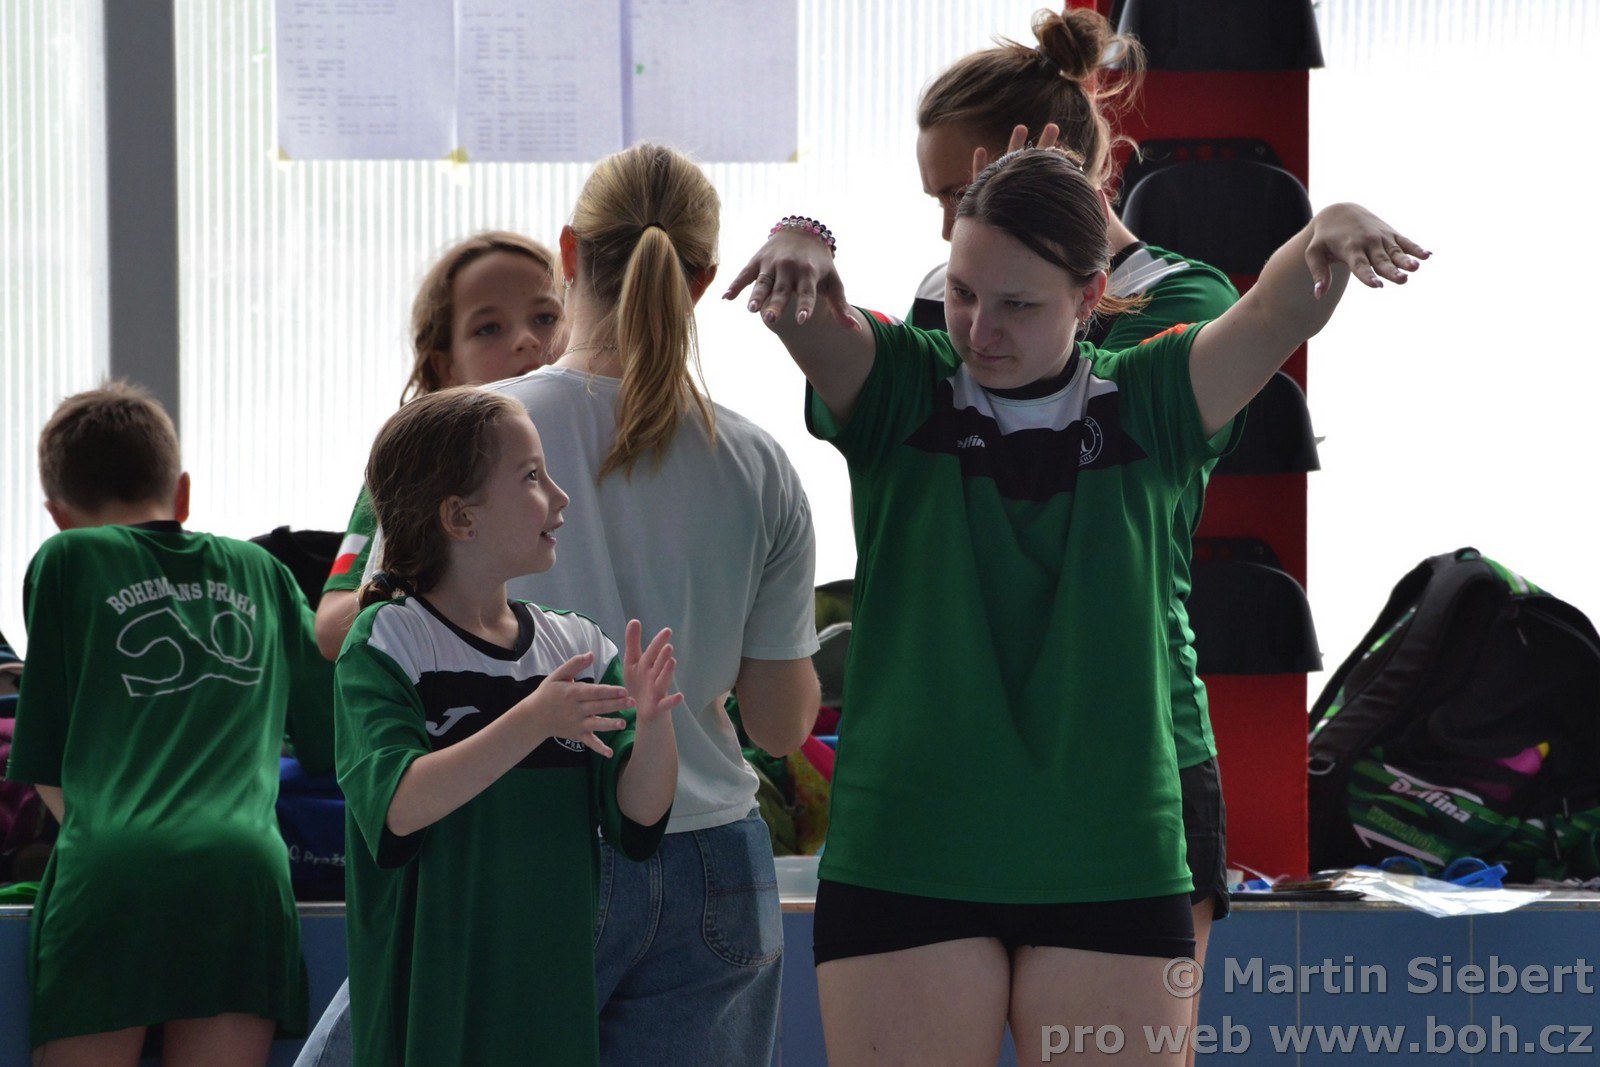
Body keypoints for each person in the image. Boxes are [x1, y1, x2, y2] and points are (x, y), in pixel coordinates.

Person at [725, 148, 1425, 1064]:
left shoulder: (1155, 398)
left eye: (1018, 305)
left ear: (1091, 296)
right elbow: (812, 319)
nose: (980, 329)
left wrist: (1326, 226)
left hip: (1113, 854)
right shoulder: (899, 388)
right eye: (964, 293)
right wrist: (802, 240)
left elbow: (1273, 312)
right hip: (908, 845)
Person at [300, 143, 820, 1067]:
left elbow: (373, 634)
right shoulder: (760, 463)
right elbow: (781, 727)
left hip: (517, 847)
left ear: (569, 254)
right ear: (704, 280)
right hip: (711, 859)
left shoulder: (468, 435)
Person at [909, 10, 1242, 1059]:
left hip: (1141, 745)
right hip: (976, 747)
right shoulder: (943, 305)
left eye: (959, 196)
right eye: (942, 206)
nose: (947, 232)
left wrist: (1035, 227)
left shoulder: (1190, 296)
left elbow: (1094, 373)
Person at [335, 385, 679, 1066]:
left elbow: (638, 821)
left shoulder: (577, 645)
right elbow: (398, 806)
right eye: (531, 476)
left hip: (551, 1020)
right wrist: (532, 720)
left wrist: (654, 724)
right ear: (460, 517)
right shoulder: (388, 641)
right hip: (430, 1022)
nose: (560, 496)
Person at [7, 381, 334, 1067]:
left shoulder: (65, 561)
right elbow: (329, 741)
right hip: (242, 876)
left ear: (57, 514)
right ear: (182, 494)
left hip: (111, 873)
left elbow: (43, 756)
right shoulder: (267, 572)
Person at [313, 231, 568, 660]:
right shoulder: (411, 469)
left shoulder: (613, 437)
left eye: (545, 317)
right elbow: (331, 629)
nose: (525, 339)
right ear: (445, 366)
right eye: (489, 328)